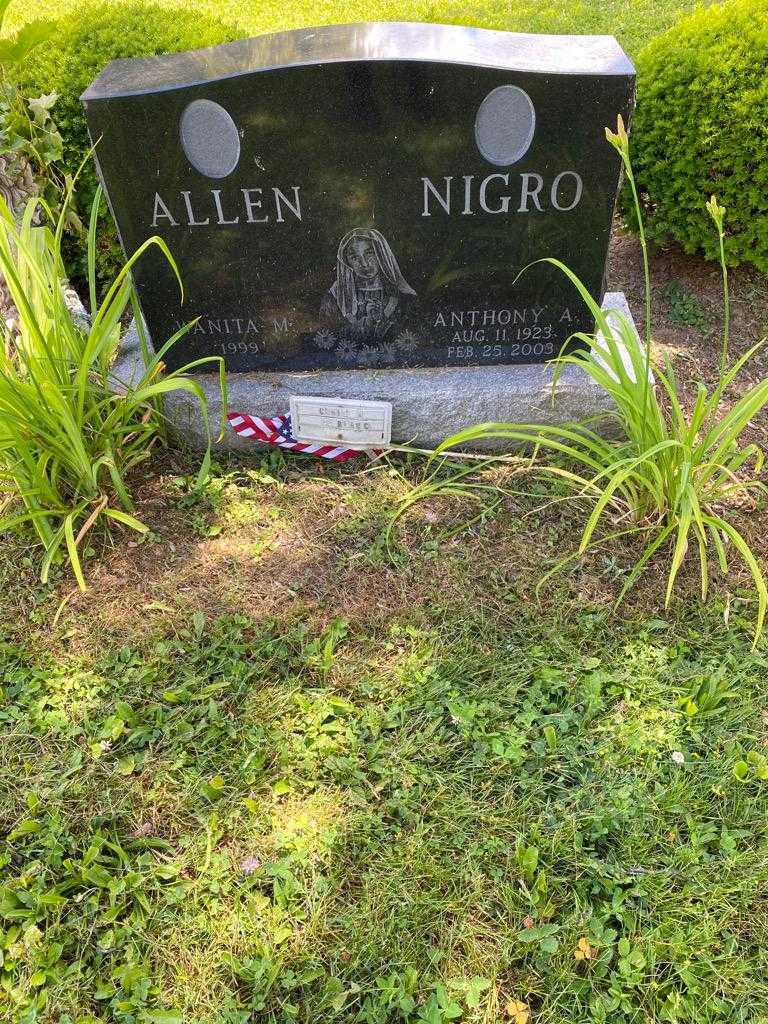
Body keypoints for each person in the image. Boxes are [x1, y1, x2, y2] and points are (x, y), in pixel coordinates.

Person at [321, 228, 416, 339]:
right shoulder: (335, 296)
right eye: (354, 257)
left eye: (369, 253)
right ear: (346, 262)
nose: (364, 264)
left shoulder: (402, 296)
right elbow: (328, 335)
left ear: (381, 254)